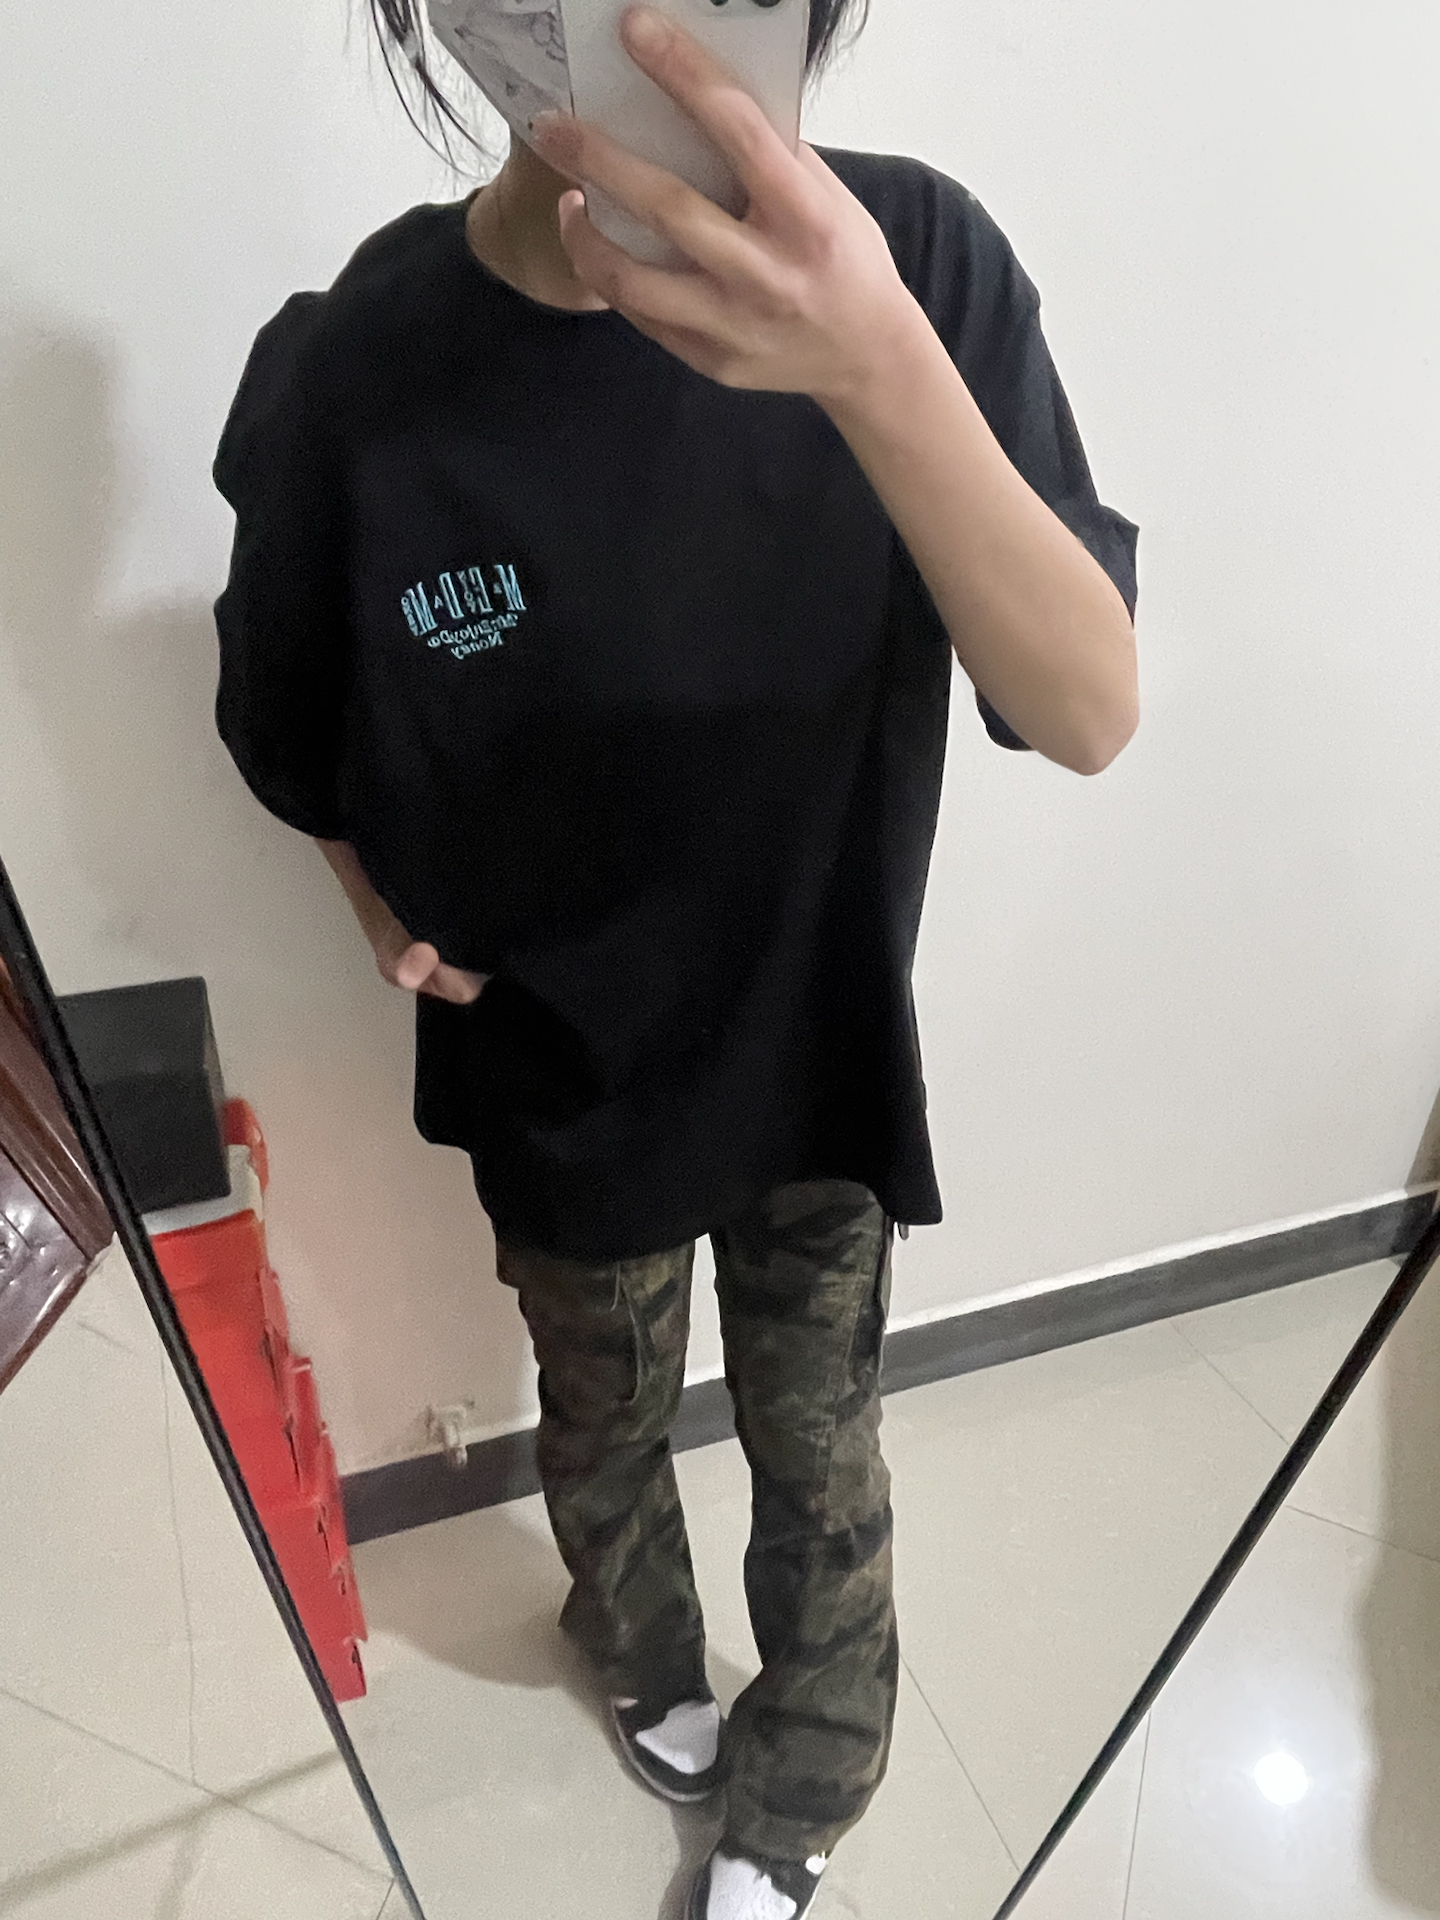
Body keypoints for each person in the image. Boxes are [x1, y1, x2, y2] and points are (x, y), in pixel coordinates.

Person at [211, 4, 1140, 1914]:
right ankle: (639, 1653)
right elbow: (283, 720)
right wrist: (375, 904)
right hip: (553, 1058)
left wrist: (874, 359)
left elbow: (1088, 707)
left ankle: (806, 1793)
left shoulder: (915, 266)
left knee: (823, 1451)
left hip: (812, 1042)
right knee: (604, 1415)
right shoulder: (360, 363)